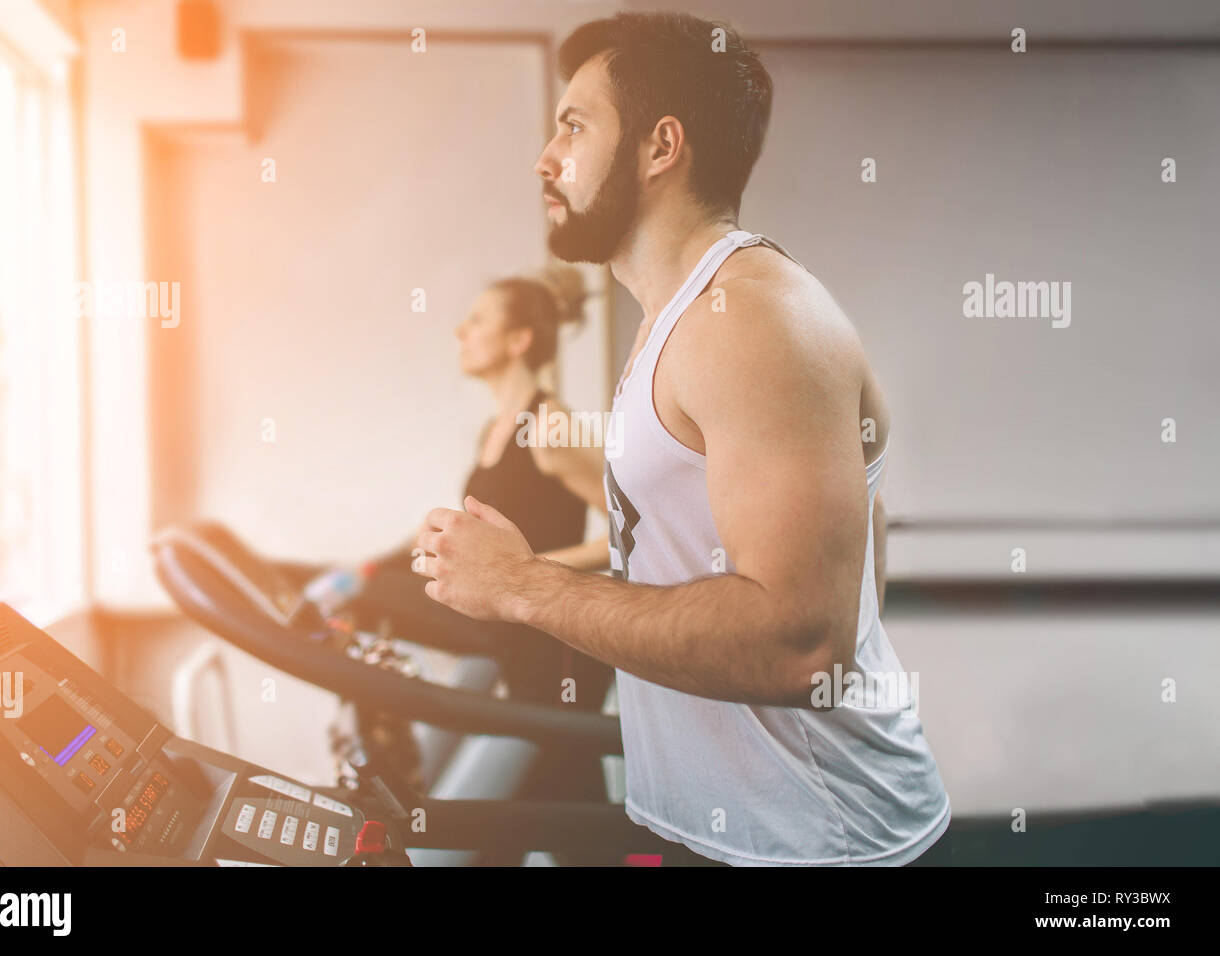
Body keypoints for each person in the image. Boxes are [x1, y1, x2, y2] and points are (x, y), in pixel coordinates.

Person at [412, 11, 952, 865]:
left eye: (575, 126)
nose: (545, 158)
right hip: (718, 831)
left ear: (661, 147)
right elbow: (852, 563)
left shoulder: (756, 322)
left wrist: (522, 586)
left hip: (820, 843)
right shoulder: (675, 321)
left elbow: (801, 641)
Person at [348, 266, 615, 798]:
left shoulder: (548, 426)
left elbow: (631, 530)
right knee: (536, 807)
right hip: (509, 633)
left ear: (518, 340)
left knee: (563, 809)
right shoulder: (491, 431)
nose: (460, 332)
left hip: (552, 646)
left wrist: (525, 573)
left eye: (476, 321)